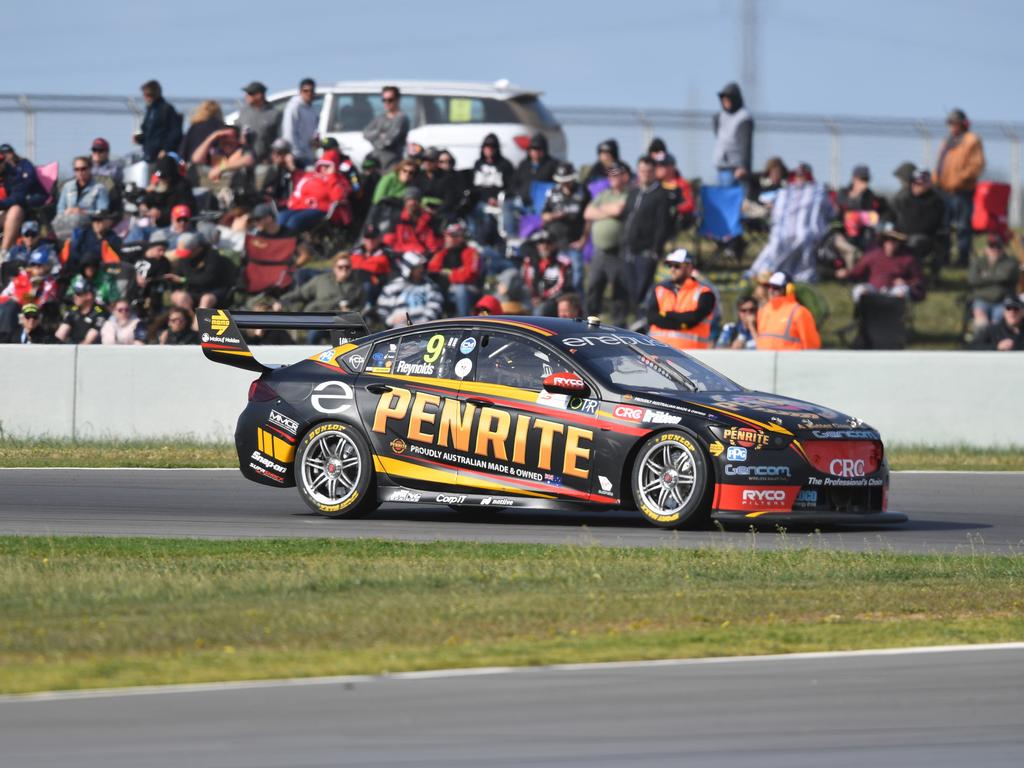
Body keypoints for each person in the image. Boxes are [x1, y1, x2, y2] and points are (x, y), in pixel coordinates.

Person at [747, 162, 832, 283]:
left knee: (803, 237)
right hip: (783, 230)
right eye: (797, 175)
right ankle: (770, 270)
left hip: (806, 230)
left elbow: (825, 212)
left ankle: (796, 271)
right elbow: (772, 205)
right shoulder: (784, 191)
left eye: (802, 176)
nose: (799, 178)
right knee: (777, 241)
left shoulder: (817, 191)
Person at [936, 108, 986, 265]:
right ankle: (944, 257)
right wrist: (935, 179)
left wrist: (959, 179)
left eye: (954, 123)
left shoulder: (972, 140)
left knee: (963, 226)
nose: (952, 126)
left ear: (963, 124)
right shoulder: (948, 140)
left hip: (962, 191)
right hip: (944, 190)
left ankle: (963, 259)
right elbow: (940, 164)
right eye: (950, 123)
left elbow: (977, 165)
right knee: (944, 226)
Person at [583, 162, 630, 325]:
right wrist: (608, 211)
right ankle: (590, 322)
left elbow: (619, 210)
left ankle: (619, 324)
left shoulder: (629, 194)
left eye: (616, 174)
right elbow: (588, 212)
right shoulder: (604, 194)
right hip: (599, 251)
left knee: (619, 291)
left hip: (616, 251)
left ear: (625, 176)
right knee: (593, 288)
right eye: (610, 174)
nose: (612, 177)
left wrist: (601, 211)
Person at [622, 155, 670, 308]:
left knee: (643, 290)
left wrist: (655, 250)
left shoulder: (660, 195)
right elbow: (627, 217)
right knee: (631, 290)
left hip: (647, 251)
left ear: (654, 172)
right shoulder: (633, 192)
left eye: (649, 171)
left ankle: (643, 320)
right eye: (642, 171)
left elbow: (663, 225)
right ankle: (633, 320)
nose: (645, 174)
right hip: (629, 249)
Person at [836, 225, 925, 305]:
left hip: (894, 290)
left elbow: (918, 280)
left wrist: (906, 282)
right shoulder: (873, 255)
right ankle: (866, 316)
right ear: (884, 242)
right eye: (888, 240)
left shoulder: (908, 259)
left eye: (894, 241)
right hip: (873, 289)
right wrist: (846, 273)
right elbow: (857, 272)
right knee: (859, 290)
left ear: (899, 243)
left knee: (901, 291)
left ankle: (893, 317)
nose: (891, 244)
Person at [645, 249, 716, 349]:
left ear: (689, 268)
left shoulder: (704, 293)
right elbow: (652, 317)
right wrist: (681, 324)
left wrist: (667, 314)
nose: (672, 269)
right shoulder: (659, 290)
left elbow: (693, 318)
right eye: (670, 265)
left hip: (691, 357)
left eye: (677, 266)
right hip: (658, 354)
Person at [540, 162, 590, 292]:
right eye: (562, 181)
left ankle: (578, 308)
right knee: (553, 278)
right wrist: (554, 215)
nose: (565, 184)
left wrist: (583, 240)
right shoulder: (552, 192)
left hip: (573, 243)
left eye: (567, 180)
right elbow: (543, 215)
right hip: (554, 244)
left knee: (576, 279)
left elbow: (589, 217)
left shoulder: (582, 191)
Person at [276, 252, 366, 317]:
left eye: (347, 267)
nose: (344, 270)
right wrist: (281, 301)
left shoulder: (357, 285)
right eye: (340, 267)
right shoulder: (321, 280)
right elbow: (300, 293)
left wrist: (351, 312)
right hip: (318, 318)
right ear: (334, 268)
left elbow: (361, 305)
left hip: (344, 321)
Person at [278, 156, 350, 235]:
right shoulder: (310, 175)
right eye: (322, 165)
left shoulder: (338, 179)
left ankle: (290, 242)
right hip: (300, 205)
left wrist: (332, 176)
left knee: (294, 221)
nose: (324, 168)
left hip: (319, 208)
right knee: (281, 217)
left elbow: (338, 197)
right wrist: (293, 201)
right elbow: (299, 189)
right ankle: (278, 241)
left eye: (327, 166)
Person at [893, 168, 947, 271]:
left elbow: (930, 225)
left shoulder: (935, 201)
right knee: (886, 241)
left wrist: (906, 234)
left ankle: (912, 275)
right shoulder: (903, 198)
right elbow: (892, 215)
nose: (915, 186)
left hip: (924, 238)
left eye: (920, 183)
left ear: (928, 184)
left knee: (914, 242)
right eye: (914, 183)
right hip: (900, 235)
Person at [167, 232, 237, 308]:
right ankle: (189, 318)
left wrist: (183, 280)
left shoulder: (212, 256)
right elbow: (179, 274)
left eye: (187, 253)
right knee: (180, 297)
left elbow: (207, 279)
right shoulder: (184, 258)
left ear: (197, 249)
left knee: (206, 300)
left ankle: (199, 319)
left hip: (213, 291)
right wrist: (172, 280)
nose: (185, 256)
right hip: (193, 291)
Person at [191, 125, 256, 206]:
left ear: (238, 139)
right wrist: (213, 137)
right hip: (213, 198)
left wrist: (221, 168)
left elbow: (249, 160)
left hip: (237, 199)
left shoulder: (243, 151)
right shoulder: (215, 153)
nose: (227, 141)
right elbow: (196, 159)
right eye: (223, 137)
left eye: (231, 137)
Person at [376, 251, 444, 328]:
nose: (421, 270)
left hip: (424, 329)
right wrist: (390, 320)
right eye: (417, 267)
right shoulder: (393, 286)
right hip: (397, 330)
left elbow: (434, 308)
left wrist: (420, 323)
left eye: (422, 266)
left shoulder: (430, 286)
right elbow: (382, 309)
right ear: (408, 268)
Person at [0, 144, 47, 254]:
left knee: (16, 210)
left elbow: (18, 197)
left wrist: (1, 204)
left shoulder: (15, 173)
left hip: (9, 210)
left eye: (1, 161)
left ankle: (3, 253)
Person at [755, 271, 821, 350]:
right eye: (769, 286)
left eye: (776, 287)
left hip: (791, 361)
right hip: (764, 361)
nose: (771, 290)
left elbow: (811, 346)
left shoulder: (799, 312)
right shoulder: (763, 311)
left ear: (788, 289)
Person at [968, 233, 1020, 331]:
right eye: (992, 246)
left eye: (998, 246)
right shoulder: (978, 262)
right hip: (981, 299)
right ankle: (980, 344)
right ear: (986, 248)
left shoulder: (1011, 262)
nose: (995, 249)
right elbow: (973, 279)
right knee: (981, 323)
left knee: (998, 324)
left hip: (1003, 301)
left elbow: (1005, 276)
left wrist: (984, 276)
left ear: (1003, 248)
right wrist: (996, 277)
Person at [428, 222, 480, 316]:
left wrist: (450, 274)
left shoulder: (471, 252)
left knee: (460, 289)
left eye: (452, 236)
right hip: (446, 289)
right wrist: (456, 273)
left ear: (461, 238)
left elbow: (469, 275)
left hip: (468, 289)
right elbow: (432, 270)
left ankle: (464, 322)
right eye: (447, 235)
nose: (448, 239)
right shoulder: (442, 253)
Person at [470, 133, 514, 243]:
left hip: (499, 201)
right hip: (480, 200)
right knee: (471, 211)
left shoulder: (505, 165)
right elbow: (474, 186)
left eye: (492, 147)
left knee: (496, 214)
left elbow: (511, 186)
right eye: (486, 146)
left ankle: (505, 239)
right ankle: (474, 239)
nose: (489, 149)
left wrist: (496, 198)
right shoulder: (478, 164)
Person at [52, 156, 111, 239]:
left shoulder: (99, 188)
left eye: (83, 169)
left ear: (90, 169)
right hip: (67, 227)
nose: (80, 172)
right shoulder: (67, 187)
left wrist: (83, 212)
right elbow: (59, 209)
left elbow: (102, 212)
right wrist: (68, 211)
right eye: (77, 169)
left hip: (89, 228)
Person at [521, 229, 572, 317]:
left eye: (548, 243)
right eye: (541, 242)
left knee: (541, 309)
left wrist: (542, 297)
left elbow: (561, 285)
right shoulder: (529, 262)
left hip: (554, 300)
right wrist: (534, 297)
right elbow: (527, 281)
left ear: (554, 245)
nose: (544, 246)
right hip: (532, 298)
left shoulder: (563, 262)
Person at [712, 82, 753, 188]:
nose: (725, 102)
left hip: (735, 170)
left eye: (728, 99)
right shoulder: (720, 116)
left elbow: (746, 145)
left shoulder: (743, 118)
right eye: (723, 100)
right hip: (721, 168)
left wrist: (743, 166)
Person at [363, 85, 410, 171]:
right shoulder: (381, 117)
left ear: (397, 100)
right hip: (378, 162)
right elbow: (366, 133)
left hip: (393, 162)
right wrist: (380, 133)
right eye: (384, 100)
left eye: (390, 100)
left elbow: (389, 141)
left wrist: (377, 138)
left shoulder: (401, 118)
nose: (387, 103)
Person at [381, 188, 440, 254]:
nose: (412, 203)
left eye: (415, 200)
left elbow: (432, 244)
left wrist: (430, 253)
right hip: (400, 254)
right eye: (409, 200)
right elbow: (389, 240)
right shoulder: (398, 219)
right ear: (405, 203)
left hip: (421, 255)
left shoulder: (428, 220)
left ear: (419, 202)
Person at [135, 80, 182, 163]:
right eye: (145, 95)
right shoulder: (150, 111)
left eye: (149, 95)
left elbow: (175, 132)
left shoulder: (166, 109)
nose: (146, 97)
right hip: (148, 155)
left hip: (161, 156)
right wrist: (139, 138)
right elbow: (148, 133)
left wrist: (166, 149)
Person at [237, 81, 282, 163]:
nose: (246, 96)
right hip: (244, 160)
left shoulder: (274, 114)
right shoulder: (244, 112)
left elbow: (280, 138)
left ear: (259, 95)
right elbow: (237, 131)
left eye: (250, 93)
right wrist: (240, 138)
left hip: (265, 162)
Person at [55, 276, 107, 344]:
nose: (75, 296)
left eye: (78, 294)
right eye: (75, 293)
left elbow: (88, 341)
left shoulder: (99, 312)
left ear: (89, 295)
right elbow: (61, 333)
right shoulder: (73, 310)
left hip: (91, 350)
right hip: (72, 347)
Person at [350, 224, 394, 302]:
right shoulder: (356, 250)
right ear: (363, 239)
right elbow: (354, 265)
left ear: (380, 238)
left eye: (373, 238)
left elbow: (378, 266)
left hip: (381, 286)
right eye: (367, 238)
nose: (370, 241)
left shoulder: (387, 251)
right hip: (358, 283)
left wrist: (363, 263)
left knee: (367, 286)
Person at [281, 78, 319, 166]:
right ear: (300, 91)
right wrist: (294, 153)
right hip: (296, 155)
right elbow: (288, 131)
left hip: (308, 154)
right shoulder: (294, 107)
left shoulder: (312, 110)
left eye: (311, 91)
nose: (309, 93)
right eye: (305, 91)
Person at [656, 154, 696, 233]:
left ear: (672, 167)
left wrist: (675, 208)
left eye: (662, 166)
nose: (658, 168)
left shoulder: (682, 184)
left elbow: (690, 204)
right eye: (657, 165)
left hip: (675, 220)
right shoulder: (655, 184)